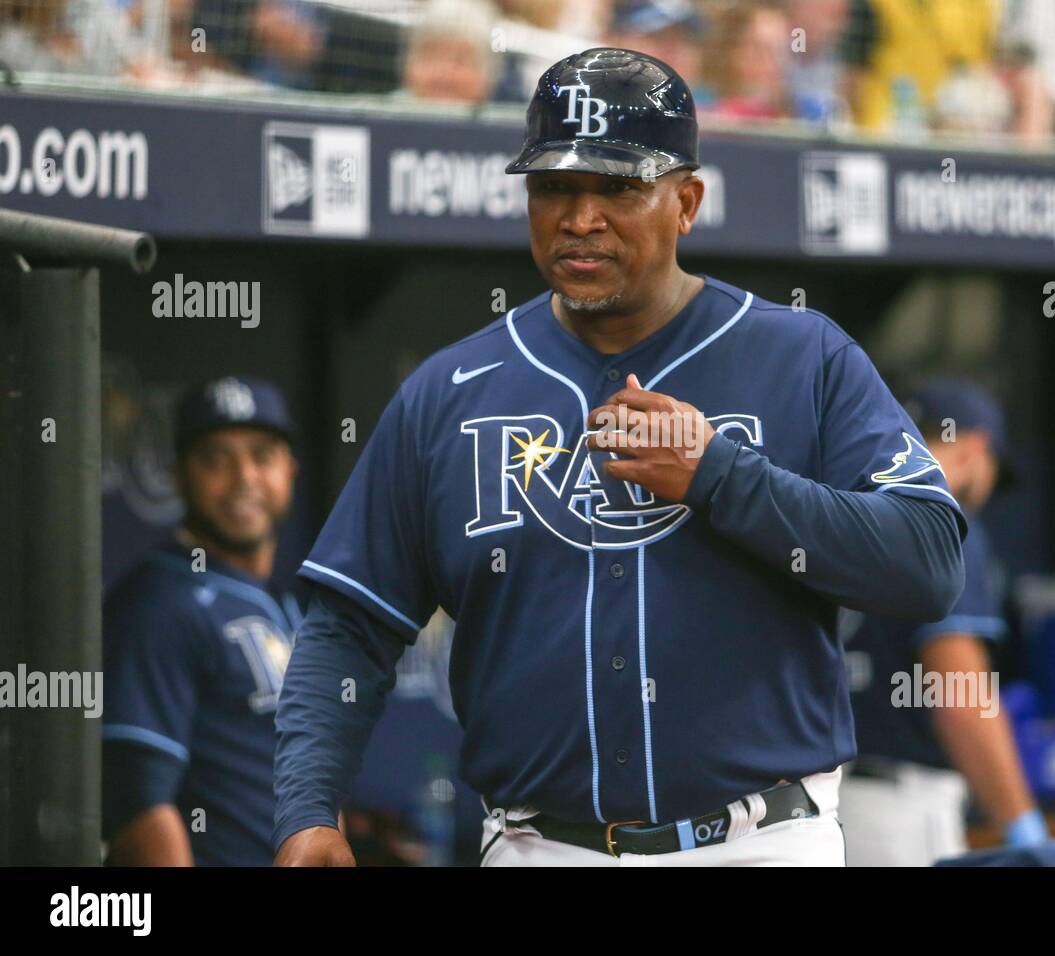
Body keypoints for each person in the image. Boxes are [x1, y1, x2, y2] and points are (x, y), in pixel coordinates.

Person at [273, 48, 964, 868]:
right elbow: (348, 625)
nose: (580, 217)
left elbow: (926, 563)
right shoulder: (449, 390)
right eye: (555, 186)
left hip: (760, 842)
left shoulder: (801, 354)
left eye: (619, 187)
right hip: (540, 846)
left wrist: (721, 476)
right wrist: (308, 807)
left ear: (687, 202)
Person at [838, 378, 1044, 866]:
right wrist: (1022, 826)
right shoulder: (945, 524)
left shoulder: (848, 507)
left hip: (828, 806)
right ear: (975, 450)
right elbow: (960, 698)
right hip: (903, 811)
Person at [102, 377, 303, 865]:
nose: (244, 478)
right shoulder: (158, 602)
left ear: (290, 471)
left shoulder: (281, 606)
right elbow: (138, 805)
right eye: (216, 459)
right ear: (178, 476)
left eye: (262, 455)